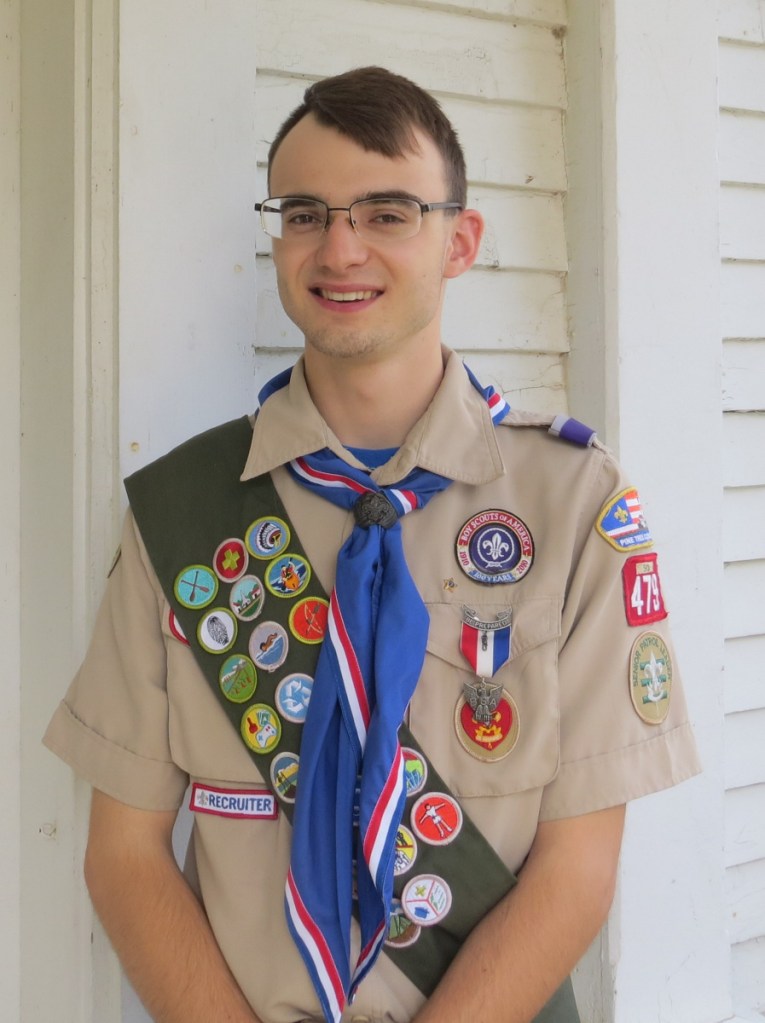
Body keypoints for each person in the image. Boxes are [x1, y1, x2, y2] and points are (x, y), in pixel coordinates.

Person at [44, 66, 701, 1023]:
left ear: (460, 240)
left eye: (386, 212)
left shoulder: (573, 505)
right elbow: (123, 853)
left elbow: (576, 870)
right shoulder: (180, 515)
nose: (338, 247)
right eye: (304, 212)